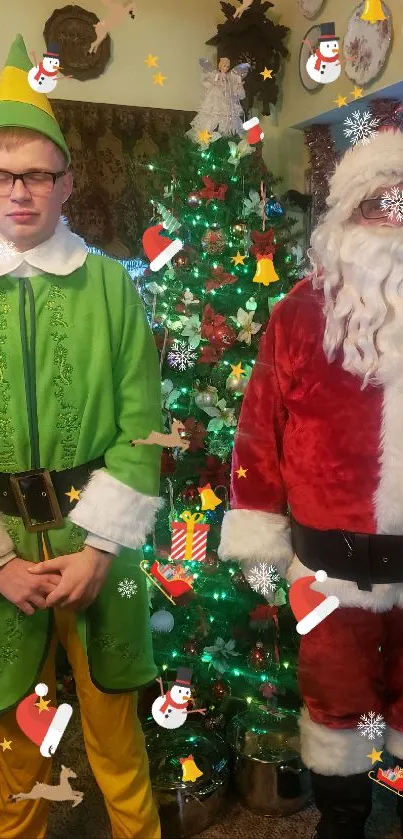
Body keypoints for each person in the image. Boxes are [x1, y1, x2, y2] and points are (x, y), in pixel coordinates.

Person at [218, 128, 403, 839]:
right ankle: (344, 822)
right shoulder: (297, 313)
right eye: (375, 203)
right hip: (325, 572)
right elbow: (254, 435)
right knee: (334, 708)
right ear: (345, 215)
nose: (390, 219)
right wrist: (260, 535)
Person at [0, 34, 162, 839]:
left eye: (35, 174)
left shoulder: (111, 287)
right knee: (13, 759)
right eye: (2, 174)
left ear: (67, 183)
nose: (18, 192)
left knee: (116, 743)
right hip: (3, 556)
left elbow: (142, 432)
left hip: (97, 541)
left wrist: (100, 548)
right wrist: (0, 563)